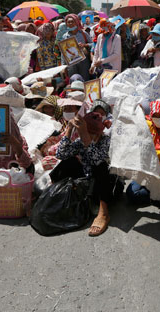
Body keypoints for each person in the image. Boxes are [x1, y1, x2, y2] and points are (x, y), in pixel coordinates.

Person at [54, 100, 113, 236]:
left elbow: (97, 160)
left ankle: (103, 213)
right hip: (85, 184)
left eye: (93, 134)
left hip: (103, 185)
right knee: (67, 163)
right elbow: (60, 154)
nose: (90, 137)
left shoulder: (106, 141)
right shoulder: (80, 141)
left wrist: (86, 137)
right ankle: (61, 199)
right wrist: (69, 130)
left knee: (101, 166)